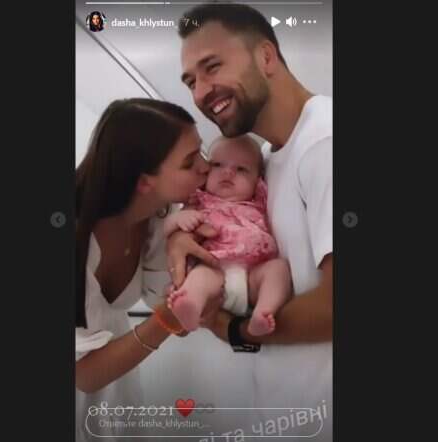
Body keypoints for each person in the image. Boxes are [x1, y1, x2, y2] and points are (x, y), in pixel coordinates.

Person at [172, 3, 333, 440]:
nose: (201, 92)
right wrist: (180, 241)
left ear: (266, 56)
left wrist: (232, 330)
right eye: (190, 81)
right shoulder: (262, 159)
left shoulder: (325, 144)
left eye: (212, 67)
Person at [75, 98, 221, 441]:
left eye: (201, 152)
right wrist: (167, 319)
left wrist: (180, 244)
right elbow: (84, 376)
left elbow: (180, 318)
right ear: (144, 182)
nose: (206, 167)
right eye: (190, 162)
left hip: (115, 384)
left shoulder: (156, 217)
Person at [164, 135, 292, 335]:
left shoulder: (260, 199)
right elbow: (168, 232)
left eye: (241, 169)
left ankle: (263, 311)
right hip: (214, 268)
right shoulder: (198, 200)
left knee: (279, 269)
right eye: (217, 165)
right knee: (200, 278)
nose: (228, 172)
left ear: (258, 180)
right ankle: (190, 305)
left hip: (253, 275)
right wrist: (177, 219)